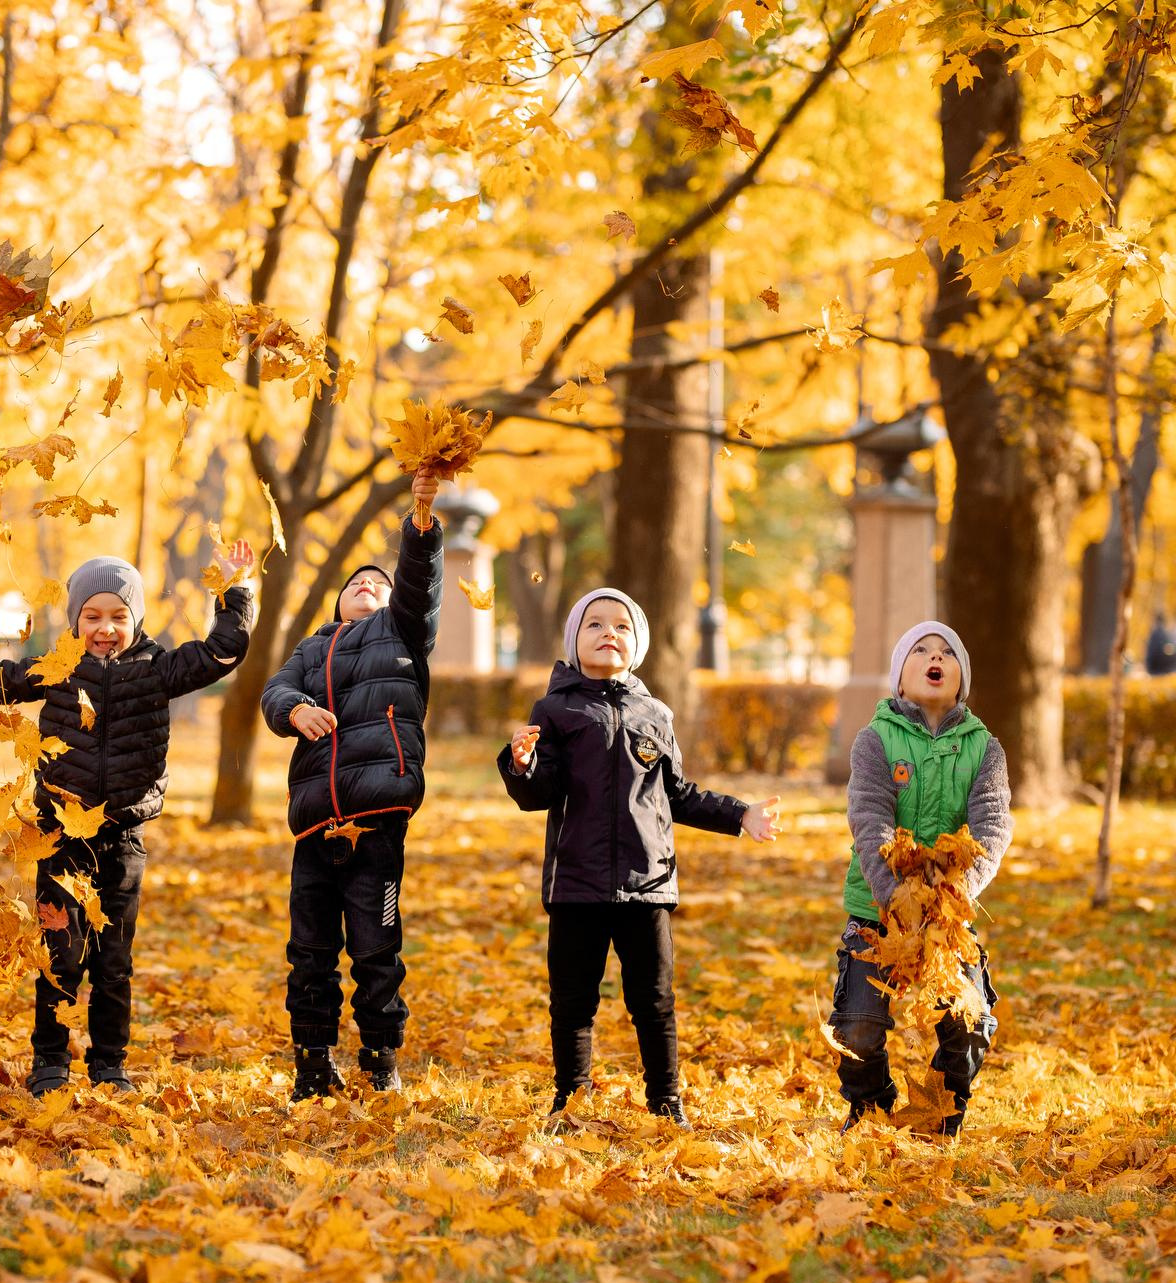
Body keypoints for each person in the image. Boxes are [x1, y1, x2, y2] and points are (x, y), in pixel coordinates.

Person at [0, 542, 256, 1095]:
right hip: (59, 836)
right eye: (93, 616)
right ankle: (51, 1061)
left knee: (113, 959)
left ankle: (110, 1063)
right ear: (76, 620)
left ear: (135, 619)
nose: (105, 628)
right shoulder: (57, 668)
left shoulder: (157, 668)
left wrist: (234, 592)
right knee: (59, 956)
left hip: (123, 839)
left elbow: (221, 652)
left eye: (117, 616)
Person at [499, 588, 779, 1125]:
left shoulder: (654, 713)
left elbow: (677, 793)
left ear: (638, 644)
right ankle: (571, 1096)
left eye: (621, 626)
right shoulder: (555, 708)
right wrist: (523, 764)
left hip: (647, 882)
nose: (609, 633)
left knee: (654, 1000)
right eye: (595, 625)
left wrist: (739, 814)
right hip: (575, 883)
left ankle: (666, 1098)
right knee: (573, 1001)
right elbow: (538, 794)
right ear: (574, 642)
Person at [260, 472, 442, 1100]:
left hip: (378, 822)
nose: (367, 587)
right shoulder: (311, 649)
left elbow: (419, 583)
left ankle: (380, 1060)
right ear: (338, 601)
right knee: (309, 948)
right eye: (355, 584)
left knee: (375, 948)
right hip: (315, 824)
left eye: (378, 584)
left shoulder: (404, 634)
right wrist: (293, 711)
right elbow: (274, 692)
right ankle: (312, 1063)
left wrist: (419, 518)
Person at [833, 620, 1013, 1134]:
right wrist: (896, 898)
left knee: (970, 1024)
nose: (935, 657)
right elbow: (870, 820)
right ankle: (872, 1102)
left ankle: (941, 1105)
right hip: (879, 911)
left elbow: (993, 826)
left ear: (960, 678)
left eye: (947, 653)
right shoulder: (875, 742)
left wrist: (956, 893)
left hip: (947, 917)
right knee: (859, 1028)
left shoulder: (985, 749)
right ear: (900, 678)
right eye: (921, 650)